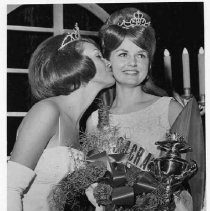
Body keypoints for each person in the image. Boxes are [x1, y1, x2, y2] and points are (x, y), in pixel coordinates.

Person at [86, 8, 193, 211]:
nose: (132, 63)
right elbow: (97, 180)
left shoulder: (169, 108)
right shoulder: (96, 121)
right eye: (123, 54)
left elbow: (194, 177)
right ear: (108, 61)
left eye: (141, 55)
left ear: (150, 62)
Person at [7, 23, 115, 211]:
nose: (109, 62)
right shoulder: (47, 111)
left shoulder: (78, 124)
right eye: (98, 56)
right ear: (75, 65)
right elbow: (9, 188)